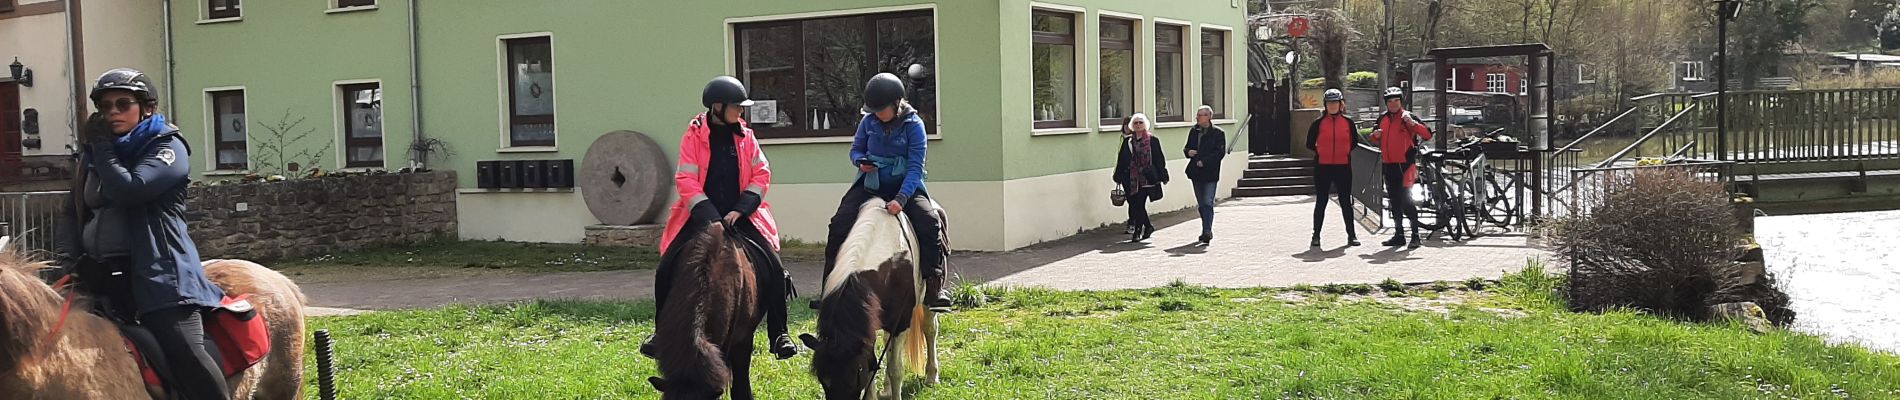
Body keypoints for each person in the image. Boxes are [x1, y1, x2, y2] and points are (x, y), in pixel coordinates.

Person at [51, 68, 230, 400]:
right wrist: (67, 261)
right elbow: (71, 211)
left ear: (146, 107)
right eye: (105, 107)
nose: (112, 113)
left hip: (162, 277)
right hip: (103, 276)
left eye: (123, 104)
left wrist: (103, 148)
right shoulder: (93, 159)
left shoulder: (167, 147)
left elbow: (130, 190)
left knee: (186, 353)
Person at [644, 76, 798, 360]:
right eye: (737, 107)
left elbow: (762, 174)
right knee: (666, 268)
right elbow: (686, 179)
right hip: (701, 215)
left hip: (741, 215)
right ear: (718, 107)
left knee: (775, 268)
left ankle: (779, 333)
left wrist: (741, 209)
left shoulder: (746, 135)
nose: (741, 112)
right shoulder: (692, 136)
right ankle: (660, 331)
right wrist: (710, 217)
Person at [821, 72, 951, 310]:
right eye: (874, 110)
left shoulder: (914, 126)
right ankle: (829, 287)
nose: (877, 115)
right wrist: (860, 160)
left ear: (897, 104)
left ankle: (934, 287)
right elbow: (855, 149)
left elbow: (915, 168)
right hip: (870, 184)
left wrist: (901, 199)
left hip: (906, 186)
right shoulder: (868, 122)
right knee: (838, 223)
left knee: (929, 221)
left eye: (881, 110)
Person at [1368, 87, 1433, 249]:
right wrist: (1375, 136)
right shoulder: (1382, 118)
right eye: (1390, 101)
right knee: (1394, 201)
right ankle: (1399, 235)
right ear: (1386, 103)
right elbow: (1373, 137)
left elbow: (1427, 135)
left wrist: (1413, 124)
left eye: (1396, 100)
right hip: (1388, 165)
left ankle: (1416, 236)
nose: (1393, 104)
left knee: (1406, 200)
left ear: (1401, 101)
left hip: (1406, 165)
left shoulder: (1408, 116)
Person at [1305, 88, 1364, 248]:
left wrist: (1342, 152)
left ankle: (1351, 236)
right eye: (1329, 103)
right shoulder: (1318, 124)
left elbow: (1354, 142)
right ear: (1326, 105)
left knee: (1345, 202)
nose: (1332, 106)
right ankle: (1316, 236)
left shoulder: (1348, 123)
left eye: (1335, 103)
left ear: (1341, 104)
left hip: (1343, 167)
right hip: (1322, 167)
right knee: (1321, 202)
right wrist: (1322, 151)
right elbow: (1309, 143)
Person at [1115, 113, 1169, 242]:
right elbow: (1121, 160)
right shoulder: (1128, 142)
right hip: (1131, 178)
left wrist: (1163, 175)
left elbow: (1159, 159)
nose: (1138, 125)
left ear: (1145, 124)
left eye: (1140, 122)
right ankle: (1148, 226)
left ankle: (1138, 231)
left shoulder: (1152, 140)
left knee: (1139, 203)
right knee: (1135, 204)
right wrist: (1118, 175)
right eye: (1135, 123)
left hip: (1146, 178)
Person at [1184, 106, 1227, 245]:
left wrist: (1205, 162)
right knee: (1202, 203)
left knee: (1208, 201)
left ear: (1209, 117)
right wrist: (1188, 152)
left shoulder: (1218, 133)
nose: (1198, 118)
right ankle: (1205, 228)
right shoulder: (1194, 131)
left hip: (1210, 173)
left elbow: (1219, 153)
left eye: (1200, 115)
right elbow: (1187, 147)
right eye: (1197, 115)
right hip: (1196, 172)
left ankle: (1207, 230)